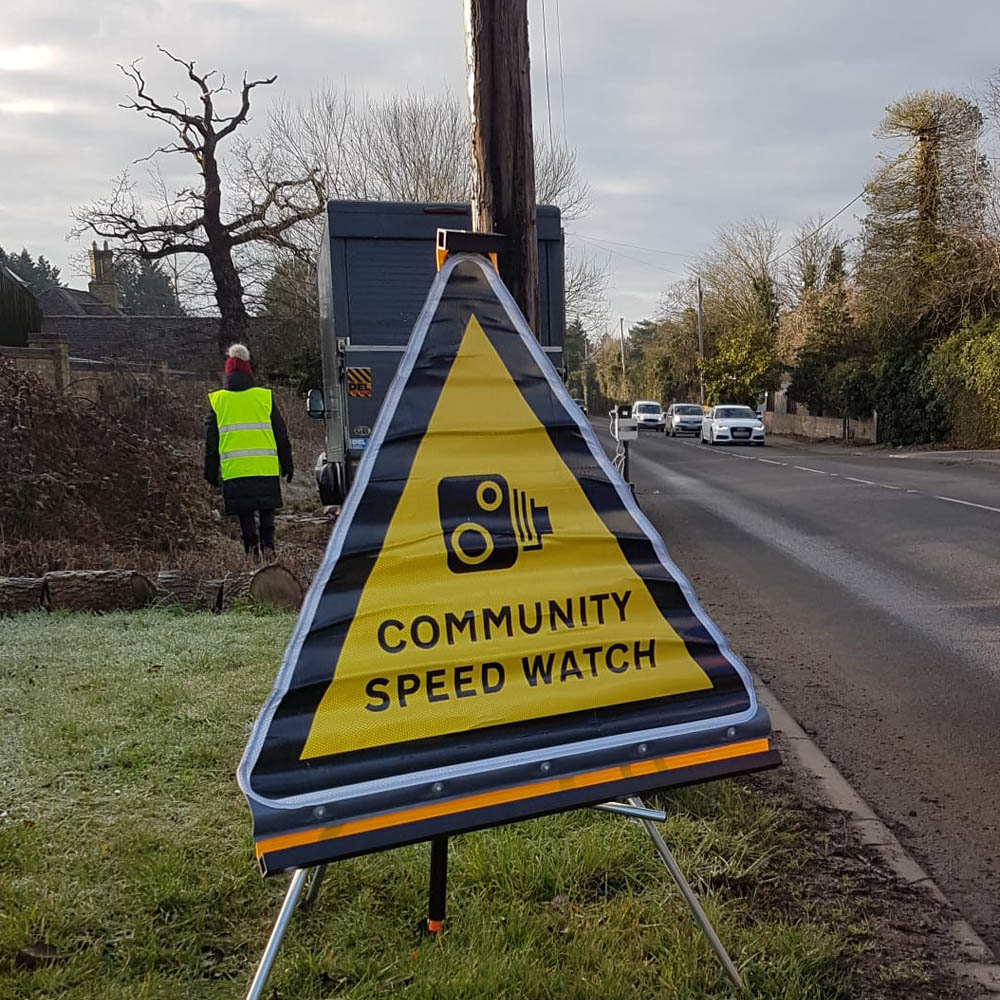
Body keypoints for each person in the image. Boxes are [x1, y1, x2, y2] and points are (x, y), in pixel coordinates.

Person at [204, 343, 293, 558]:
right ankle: (269, 545)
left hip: (236, 470)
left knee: (245, 513)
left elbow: (211, 442)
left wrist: (210, 472)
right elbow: (281, 433)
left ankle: (252, 550)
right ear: (248, 371)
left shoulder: (218, 401)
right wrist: (287, 463)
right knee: (266, 508)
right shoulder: (263, 397)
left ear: (227, 373)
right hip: (265, 467)